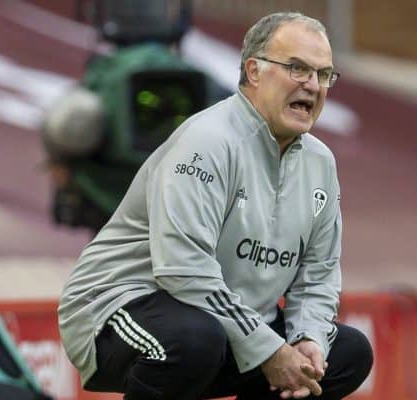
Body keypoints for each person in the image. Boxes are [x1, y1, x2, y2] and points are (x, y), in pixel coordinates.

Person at [58, 11, 373, 400]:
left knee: (347, 353)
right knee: (194, 340)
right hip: (113, 310)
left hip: (218, 323)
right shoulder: (207, 141)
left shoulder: (320, 163)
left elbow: (319, 275)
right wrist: (269, 349)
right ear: (254, 71)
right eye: (297, 68)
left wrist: (309, 339)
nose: (312, 85)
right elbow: (183, 270)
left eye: (324, 74)